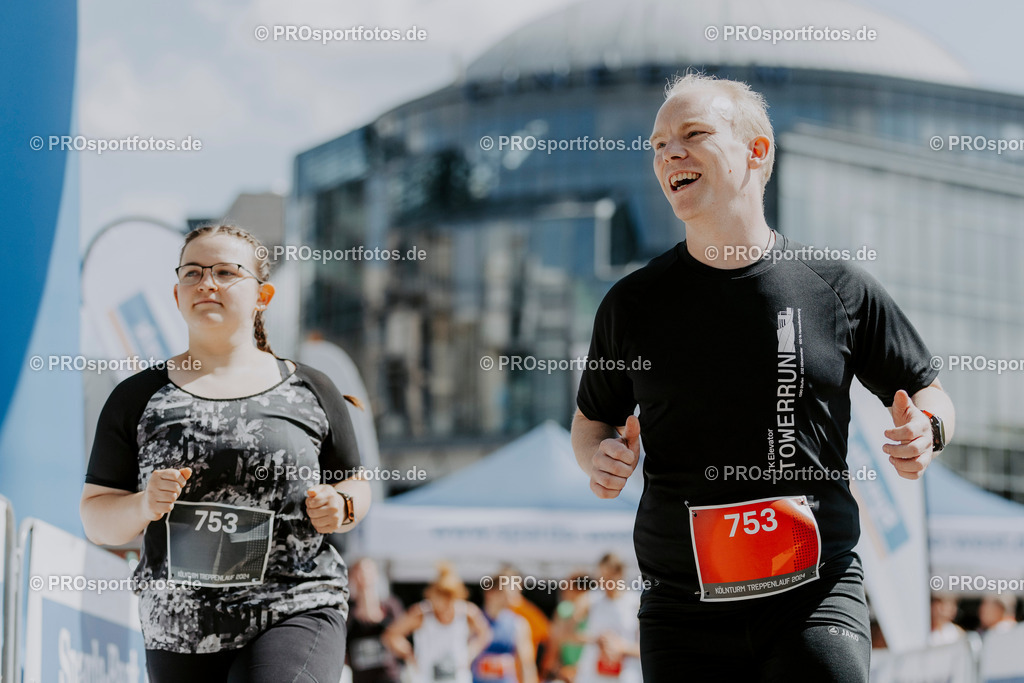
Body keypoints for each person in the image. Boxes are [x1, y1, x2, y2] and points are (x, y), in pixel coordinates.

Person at [571, 72, 957, 682]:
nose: (669, 152)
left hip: (813, 594)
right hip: (683, 609)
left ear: (756, 152)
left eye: (693, 134)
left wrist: (927, 431)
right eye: (657, 144)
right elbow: (593, 421)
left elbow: (929, 390)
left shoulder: (837, 288)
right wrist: (598, 459)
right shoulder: (632, 304)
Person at [80, 223, 371, 682]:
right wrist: (142, 504)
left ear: (263, 295)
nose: (207, 283)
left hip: (294, 604)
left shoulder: (311, 389)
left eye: (225, 272)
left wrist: (344, 505)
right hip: (181, 625)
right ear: (177, 295)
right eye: (193, 273)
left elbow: (354, 481)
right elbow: (96, 517)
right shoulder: (136, 398)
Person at [382, 563, 492, 683]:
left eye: (450, 600)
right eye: (443, 599)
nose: (446, 606)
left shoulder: (467, 613)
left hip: (457, 678)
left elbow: (485, 634)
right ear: (434, 596)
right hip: (426, 678)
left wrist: (471, 653)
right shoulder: (421, 614)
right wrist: (409, 654)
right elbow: (391, 635)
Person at [573, 555, 640, 683]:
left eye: (608, 577)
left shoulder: (635, 603)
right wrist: (595, 639)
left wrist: (622, 647)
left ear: (619, 574)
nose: (603, 582)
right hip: (591, 676)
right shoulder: (590, 600)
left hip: (625, 676)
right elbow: (569, 633)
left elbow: (646, 647)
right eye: (601, 577)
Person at [472, 571, 538, 683]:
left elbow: (527, 666)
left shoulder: (519, 624)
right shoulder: (473, 619)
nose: (515, 593)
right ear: (490, 591)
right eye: (511, 587)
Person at [347, 557, 405, 683]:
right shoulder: (347, 610)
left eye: (366, 571)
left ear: (376, 574)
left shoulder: (390, 606)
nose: (362, 576)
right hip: (361, 677)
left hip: (389, 676)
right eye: (358, 572)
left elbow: (402, 642)